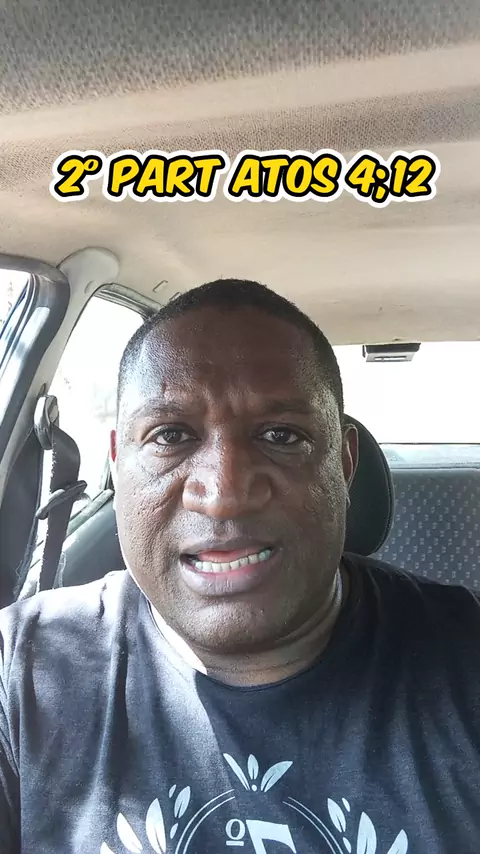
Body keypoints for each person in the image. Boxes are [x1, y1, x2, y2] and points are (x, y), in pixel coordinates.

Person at [1, 279, 479, 854]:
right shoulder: (21, 666)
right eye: (170, 435)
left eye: (281, 435)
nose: (224, 495)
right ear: (118, 462)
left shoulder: (464, 659)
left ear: (344, 464)